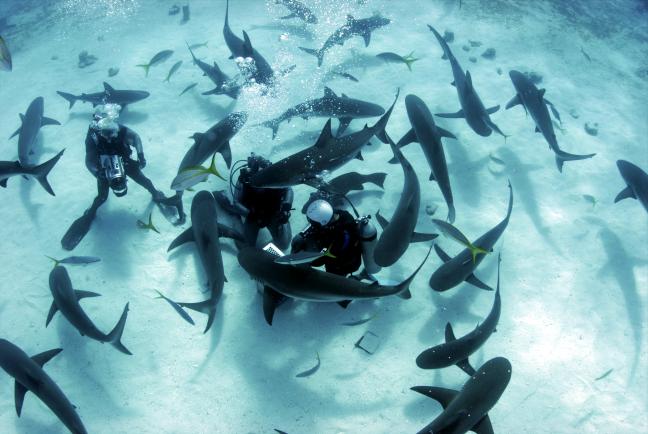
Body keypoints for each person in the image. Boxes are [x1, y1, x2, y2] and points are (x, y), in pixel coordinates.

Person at [60, 104, 171, 250]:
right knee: (102, 196)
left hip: (123, 160)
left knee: (144, 181)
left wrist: (141, 155)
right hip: (104, 168)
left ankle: (155, 193)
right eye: (106, 135)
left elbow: (135, 137)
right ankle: (91, 212)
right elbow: (89, 161)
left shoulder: (120, 130)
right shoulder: (93, 138)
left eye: (112, 134)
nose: (110, 138)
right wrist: (98, 172)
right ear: (100, 130)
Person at [218, 153, 294, 250]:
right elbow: (237, 202)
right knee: (244, 247)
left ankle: (265, 250)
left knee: (284, 244)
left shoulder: (276, 174)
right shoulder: (245, 179)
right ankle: (235, 217)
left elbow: (288, 189)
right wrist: (251, 215)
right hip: (253, 215)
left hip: (274, 213)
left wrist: (286, 208)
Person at [291, 199, 380, 277]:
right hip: (343, 255)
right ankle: (362, 275)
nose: (312, 225)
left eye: (314, 223)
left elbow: (319, 260)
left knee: (335, 283)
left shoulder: (339, 237)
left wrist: (306, 259)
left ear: (324, 222)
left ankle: (357, 280)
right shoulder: (340, 214)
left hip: (342, 265)